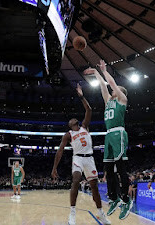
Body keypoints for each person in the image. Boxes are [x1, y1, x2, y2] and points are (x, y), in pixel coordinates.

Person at [51, 83, 111, 225]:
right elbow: (60, 151)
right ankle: (72, 213)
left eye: (74, 119)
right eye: (71, 120)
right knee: (76, 181)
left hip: (89, 158)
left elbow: (89, 109)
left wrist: (82, 97)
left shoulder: (84, 126)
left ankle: (100, 213)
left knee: (94, 186)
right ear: (70, 125)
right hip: (77, 159)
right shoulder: (68, 134)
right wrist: (54, 167)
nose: (73, 119)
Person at [84, 59, 132, 220]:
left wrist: (104, 71)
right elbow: (104, 87)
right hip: (109, 135)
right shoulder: (108, 102)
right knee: (108, 169)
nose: (113, 91)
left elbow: (110, 83)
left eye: (116, 90)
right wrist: (96, 73)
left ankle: (126, 200)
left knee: (121, 168)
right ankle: (114, 198)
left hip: (118, 133)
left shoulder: (122, 100)